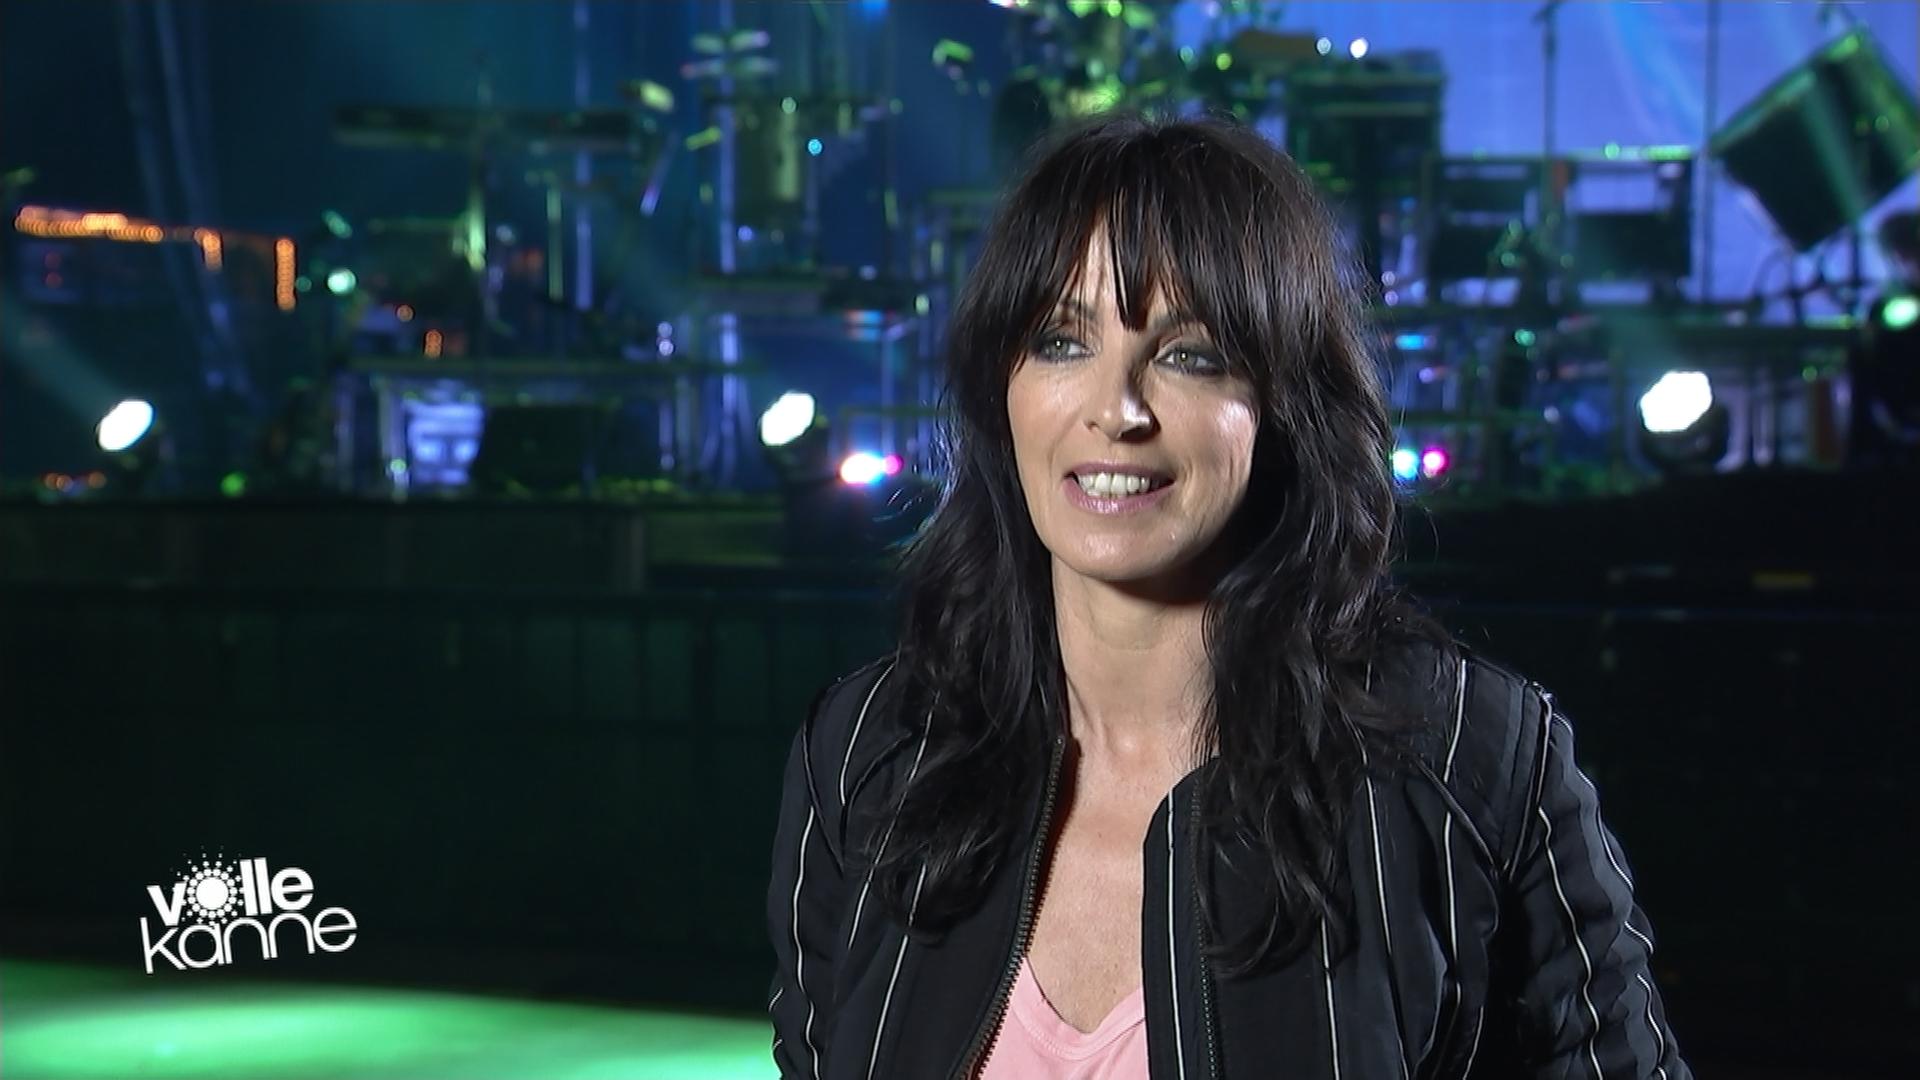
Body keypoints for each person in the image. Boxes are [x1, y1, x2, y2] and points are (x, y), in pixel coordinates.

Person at [767, 111, 1691, 1079]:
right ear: (1003, 390)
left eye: (1188, 355)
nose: (1116, 411)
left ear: (1285, 406)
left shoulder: (1473, 759)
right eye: (1061, 341)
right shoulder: (869, 754)